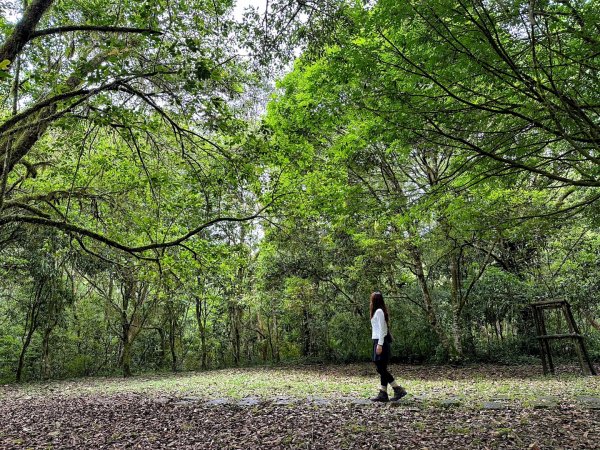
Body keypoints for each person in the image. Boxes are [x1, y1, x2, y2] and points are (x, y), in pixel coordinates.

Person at [370, 291, 407, 402]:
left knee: (380, 368)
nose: (370, 301)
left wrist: (380, 344)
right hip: (377, 340)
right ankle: (383, 393)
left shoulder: (379, 311)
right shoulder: (377, 311)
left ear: (375, 300)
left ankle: (397, 388)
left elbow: (382, 329)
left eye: (372, 299)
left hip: (381, 341)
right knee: (381, 368)